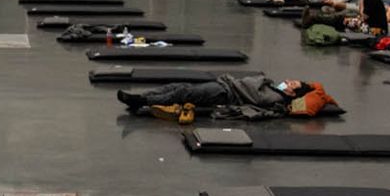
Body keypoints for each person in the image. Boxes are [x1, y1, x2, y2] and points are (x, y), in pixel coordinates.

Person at [115, 75, 336, 121]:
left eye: (292, 84)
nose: (287, 81)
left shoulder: (275, 98)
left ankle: (141, 102)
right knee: (178, 86)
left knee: (183, 94)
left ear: (291, 93)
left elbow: (254, 93)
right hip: (224, 85)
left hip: (226, 93)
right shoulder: (273, 89)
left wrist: (262, 80)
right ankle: (142, 98)